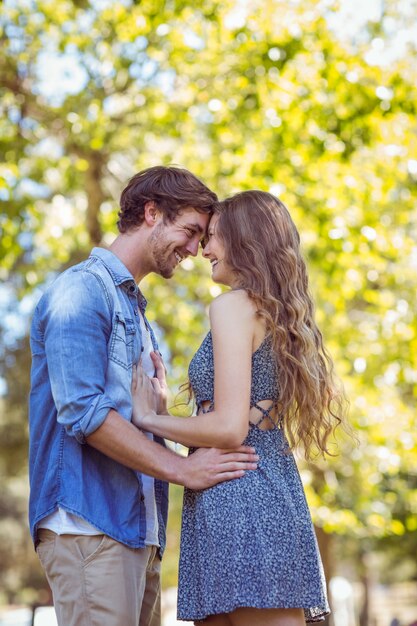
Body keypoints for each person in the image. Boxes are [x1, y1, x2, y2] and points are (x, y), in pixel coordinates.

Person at [28, 166, 259, 626]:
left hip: (138, 535)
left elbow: (126, 419)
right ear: (152, 213)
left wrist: (155, 418)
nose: (196, 250)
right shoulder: (81, 291)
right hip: (89, 528)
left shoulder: (134, 312)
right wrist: (183, 468)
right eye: (191, 231)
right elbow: (85, 413)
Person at [133, 190, 347, 625]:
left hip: (241, 497)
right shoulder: (274, 313)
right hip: (251, 491)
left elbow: (231, 426)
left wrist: (150, 418)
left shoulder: (232, 306)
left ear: (244, 240)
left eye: (213, 237)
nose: (204, 249)